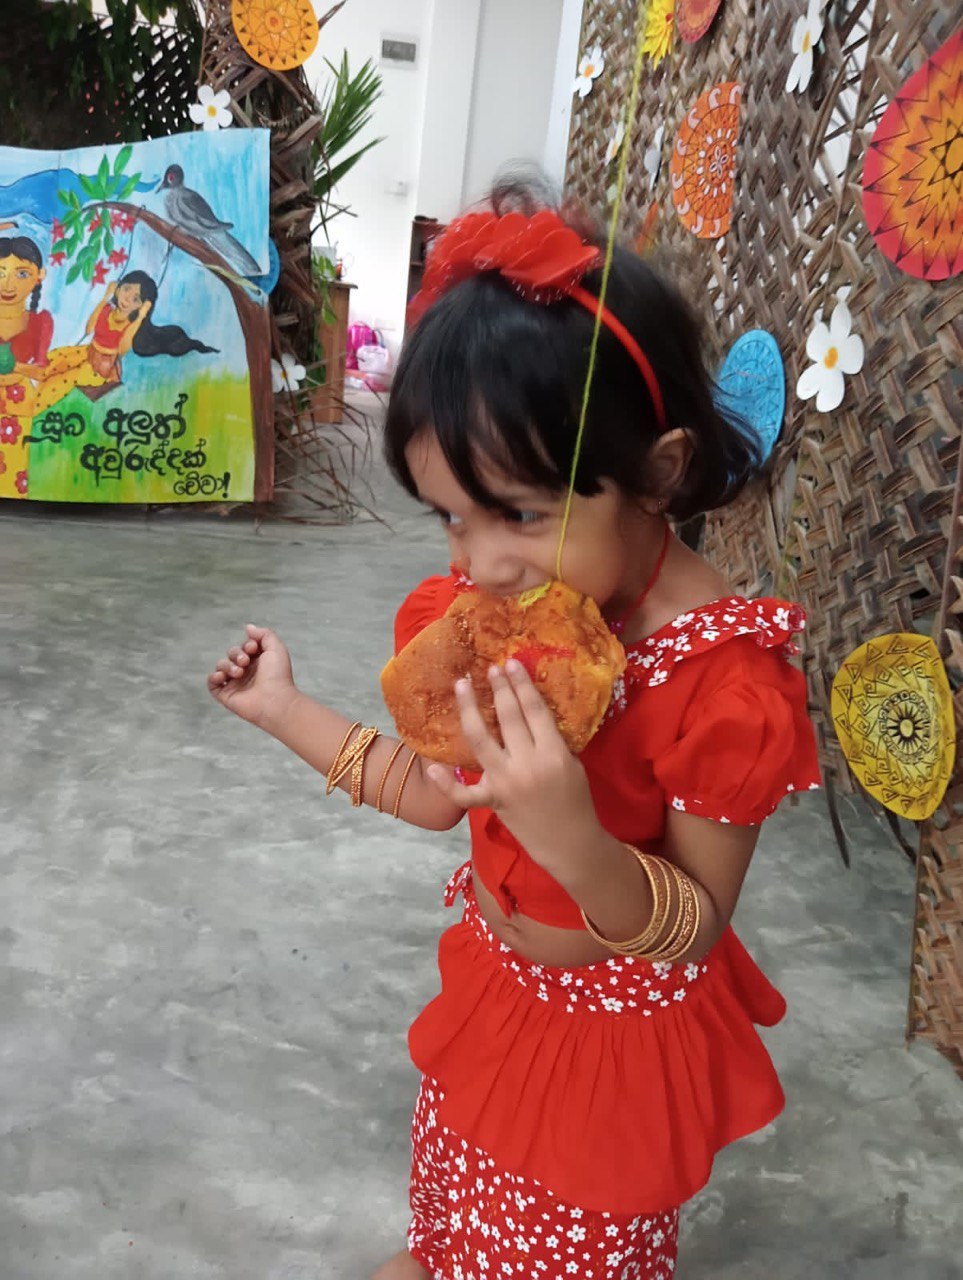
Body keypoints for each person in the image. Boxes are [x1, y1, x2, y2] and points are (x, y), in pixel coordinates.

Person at [207, 191, 820, 1280]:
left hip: (609, 1060)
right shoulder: (501, 608)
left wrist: (569, 834)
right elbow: (442, 793)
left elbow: (691, 927)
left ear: (661, 472)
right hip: (499, 996)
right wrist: (285, 708)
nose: (479, 563)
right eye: (451, 513)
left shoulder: (726, 684)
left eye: (522, 514)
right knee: (458, 1198)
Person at [36, 269, 216, 412]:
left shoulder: (131, 324)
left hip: (102, 368)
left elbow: (121, 350)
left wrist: (140, 317)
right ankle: (28, 391)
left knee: (63, 380)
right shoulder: (107, 308)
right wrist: (106, 296)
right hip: (86, 352)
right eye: (127, 289)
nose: (127, 299)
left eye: (136, 299)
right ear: (119, 287)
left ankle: (33, 407)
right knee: (53, 360)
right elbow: (89, 328)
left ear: (141, 305)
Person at [0, 234, 52, 497]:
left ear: (38, 276)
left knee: (13, 474)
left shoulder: (40, 322)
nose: (8, 285)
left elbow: (41, 371)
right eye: (1, 272)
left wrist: (12, 368)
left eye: (21, 274)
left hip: (19, 408)